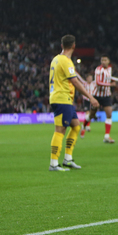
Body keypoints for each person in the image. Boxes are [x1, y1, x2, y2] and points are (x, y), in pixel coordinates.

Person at [48, 35, 98, 171]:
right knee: (60, 131)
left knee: (76, 126)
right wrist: (91, 97)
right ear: (74, 46)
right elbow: (75, 82)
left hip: (62, 99)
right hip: (61, 99)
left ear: (61, 45)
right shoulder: (66, 61)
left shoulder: (56, 59)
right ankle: (53, 163)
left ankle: (68, 159)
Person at [89, 55, 118, 143]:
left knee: (109, 114)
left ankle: (106, 136)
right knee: (92, 115)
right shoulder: (98, 69)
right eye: (102, 60)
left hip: (106, 95)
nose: (103, 62)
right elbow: (98, 82)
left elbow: (109, 77)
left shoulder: (109, 69)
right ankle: (85, 124)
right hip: (96, 95)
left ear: (109, 61)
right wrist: (110, 85)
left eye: (105, 60)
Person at [78, 74, 96, 138]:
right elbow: (79, 78)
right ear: (87, 78)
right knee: (87, 112)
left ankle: (87, 125)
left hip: (92, 100)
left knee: (91, 114)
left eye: (91, 78)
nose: (90, 79)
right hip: (86, 100)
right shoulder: (84, 83)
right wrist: (74, 71)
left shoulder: (94, 83)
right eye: (89, 78)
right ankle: (87, 126)